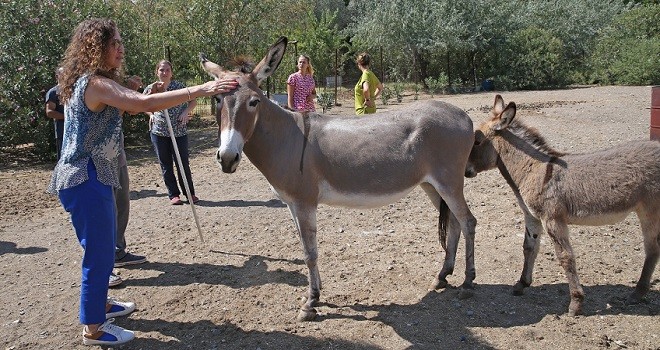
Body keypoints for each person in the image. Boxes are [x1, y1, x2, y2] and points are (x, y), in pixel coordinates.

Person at [47, 18, 237, 346]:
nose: (120, 48)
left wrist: (130, 91)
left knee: (103, 250)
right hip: (85, 178)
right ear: (96, 47)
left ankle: (101, 305)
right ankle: (93, 328)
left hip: (90, 176)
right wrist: (204, 88)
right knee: (100, 254)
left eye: (121, 42)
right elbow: (144, 106)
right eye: (113, 43)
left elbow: (119, 111)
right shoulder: (94, 83)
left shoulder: (93, 83)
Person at [143, 60, 200, 205]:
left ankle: (190, 193)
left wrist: (186, 112)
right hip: (159, 132)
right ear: (157, 72)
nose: (164, 73)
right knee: (166, 164)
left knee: (183, 163)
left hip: (179, 131)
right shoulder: (151, 88)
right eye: (162, 70)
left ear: (171, 72)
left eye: (167, 70)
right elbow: (142, 104)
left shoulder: (179, 87)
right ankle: (173, 194)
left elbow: (193, 101)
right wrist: (151, 115)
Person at [45, 67, 65, 160]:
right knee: (62, 159)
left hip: (76, 131)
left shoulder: (74, 91)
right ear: (57, 76)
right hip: (62, 131)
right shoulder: (53, 92)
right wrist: (66, 117)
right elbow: (49, 112)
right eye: (63, 74)